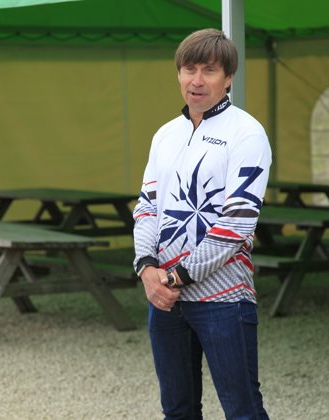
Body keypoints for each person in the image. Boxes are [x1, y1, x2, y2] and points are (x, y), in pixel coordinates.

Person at [133, 28, 271, 419]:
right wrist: (146, 268)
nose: (197, 80)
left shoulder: (247, 133)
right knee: (177, 411)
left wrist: (175, 277)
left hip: (224, 298)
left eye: (209, 70)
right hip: (165, 298)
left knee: (243, 410)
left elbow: (238, 222)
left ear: (228, 78)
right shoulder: (165, 135)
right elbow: (147, 207)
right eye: (189, 69)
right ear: (178, 74)